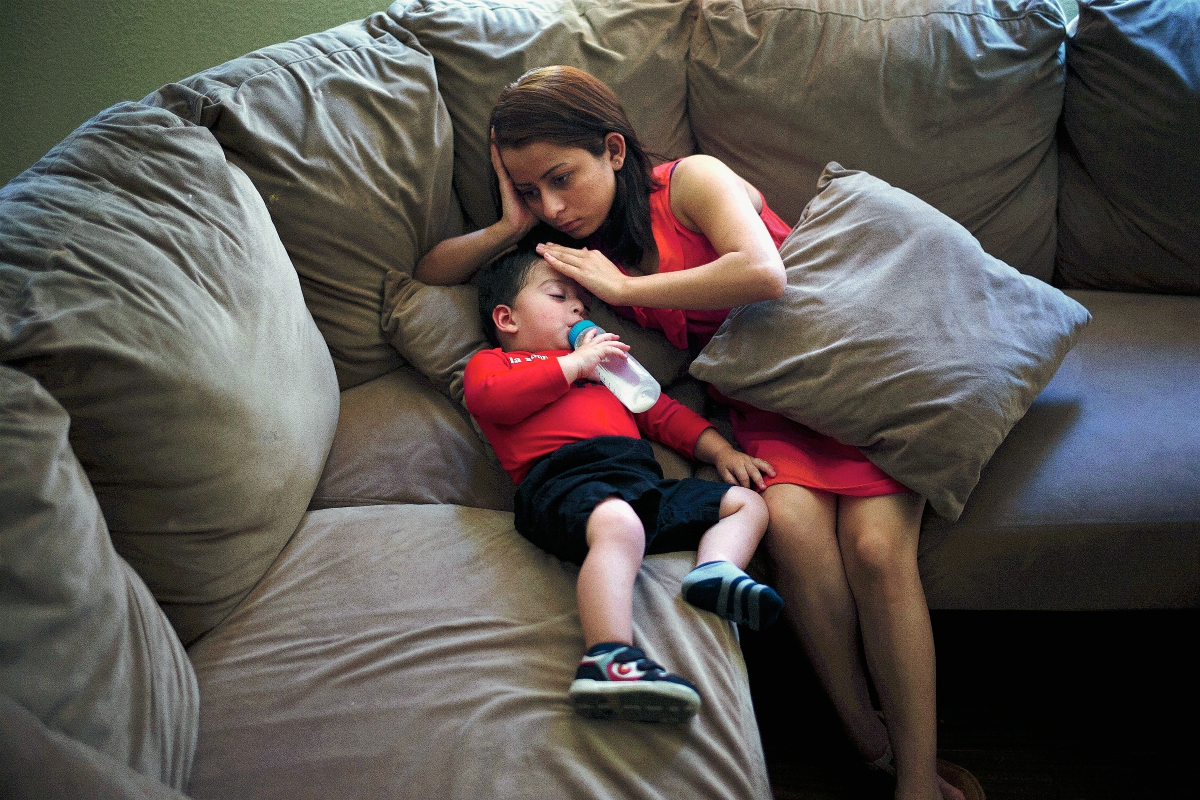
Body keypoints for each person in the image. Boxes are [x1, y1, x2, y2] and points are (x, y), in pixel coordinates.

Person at [418, 65, 985, 800]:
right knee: (791, 527)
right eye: (533, 191)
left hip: (845, 371)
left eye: (561, 179)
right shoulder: (575, 247)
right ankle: (867, 740)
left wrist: (623, 290)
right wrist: (510, 226)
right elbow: (433, 273)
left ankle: (915, 780)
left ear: (614, 151)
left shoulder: (689, 182)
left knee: (878, 552)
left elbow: (763, 273)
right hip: (762, 402)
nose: (553, 206)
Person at [463, 246, 784, 724]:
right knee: (620, 525)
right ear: (506, 318)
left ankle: (715, 572)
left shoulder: (609, 372)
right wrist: (574, 365)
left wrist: (723, 453)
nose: (578, 308)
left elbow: (662, 414)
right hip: (563, 482)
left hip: (640, 484)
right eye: (559, 296)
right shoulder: (497, 364)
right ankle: (609, 658)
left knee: (746, 505)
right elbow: (491, 401)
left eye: (583, 303)